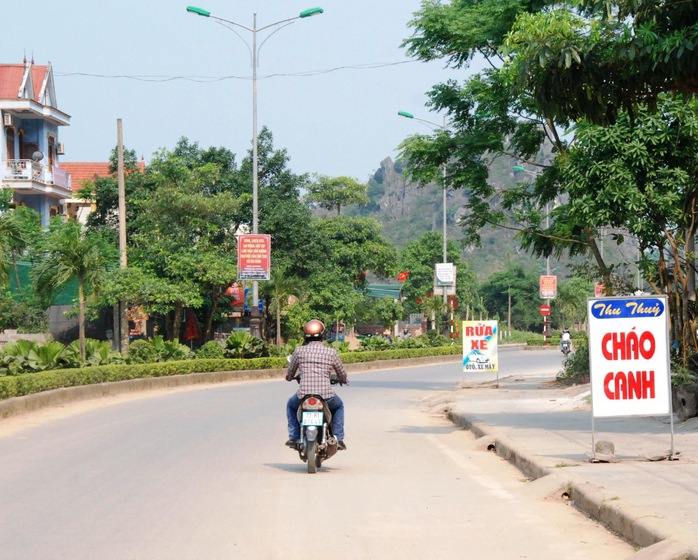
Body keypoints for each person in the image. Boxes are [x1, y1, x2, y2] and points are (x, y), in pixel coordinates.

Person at [285, 319, 348, 450]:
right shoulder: (331, 352)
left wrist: (290, 377)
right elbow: (342, 372)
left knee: (291, 405)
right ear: (322, 335)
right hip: (326, 396)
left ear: (305, 335)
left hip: (303, 396)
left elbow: (290, 372)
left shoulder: (299, 351)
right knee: (339, 406)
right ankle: (339, 438)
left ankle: (293, 436)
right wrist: (343, 379)